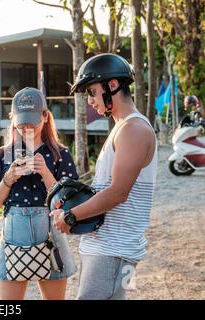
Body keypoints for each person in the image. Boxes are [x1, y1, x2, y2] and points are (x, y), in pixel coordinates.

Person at [52, 53, 157, 300]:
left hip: (114, 250)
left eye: (91, 91)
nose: (89, 100)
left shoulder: (134, 129)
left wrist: (70, 216)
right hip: (110, 249)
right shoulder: (122, 128)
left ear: (112, 85)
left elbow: (118, 193)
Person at [0, 87, 78, 300]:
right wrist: (9, 178)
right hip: (13, 231)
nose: (27, 128)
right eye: (21, 123)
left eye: (32, 122)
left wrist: (46, 172)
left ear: (45, 117)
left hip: (50, 231)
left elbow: (66, 202)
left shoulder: (60, 154)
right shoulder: (2, 155)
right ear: (13, 120)